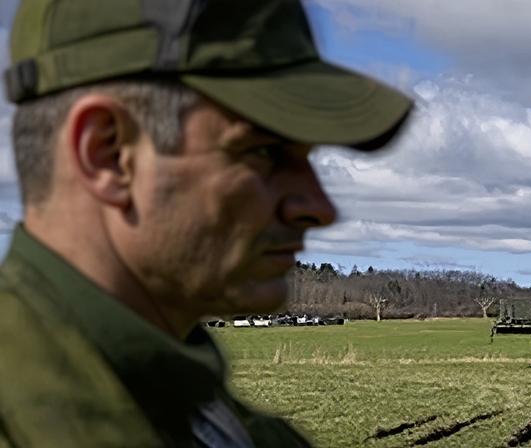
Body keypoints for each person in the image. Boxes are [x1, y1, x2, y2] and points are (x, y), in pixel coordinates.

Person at [0, 0, 412, 446]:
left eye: (307, 157)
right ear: (110, 155)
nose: (320, 208)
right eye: (264, 152)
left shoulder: (201, 416)